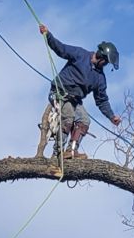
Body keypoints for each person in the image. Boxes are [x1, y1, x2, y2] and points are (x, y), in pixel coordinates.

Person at [34, 25, 121, 159]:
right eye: (106, 62)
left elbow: (102, 100)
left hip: (75, 100)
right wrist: (48, 35)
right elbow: (61, 49)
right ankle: (57, 153)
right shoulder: (80, 54)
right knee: (68, 116)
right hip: (59, 93)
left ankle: (71, 151)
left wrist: (111, 116)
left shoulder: (100, 78)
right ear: (101, 58)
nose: (105, 65)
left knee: (84, 120)